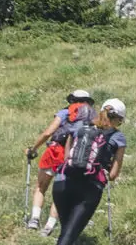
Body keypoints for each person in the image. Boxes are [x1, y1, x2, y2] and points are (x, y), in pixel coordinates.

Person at [33, 97, 127, 245]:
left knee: (66, 231)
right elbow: (113, 175)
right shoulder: (117, 137)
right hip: (89, 189)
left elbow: (67, 158)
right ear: (118, 119)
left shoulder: (78, 128)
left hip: (62, 183)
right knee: (69, 236)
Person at [25, 89, 94, 233]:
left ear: (72, 100)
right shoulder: (92, 117)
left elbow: (48, 132)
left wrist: (33, 149)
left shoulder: (65, 112)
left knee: (41, 186)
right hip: (74, 157)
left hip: (55, 152)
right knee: (60, 192)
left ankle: (34, 220)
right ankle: (49, 226)